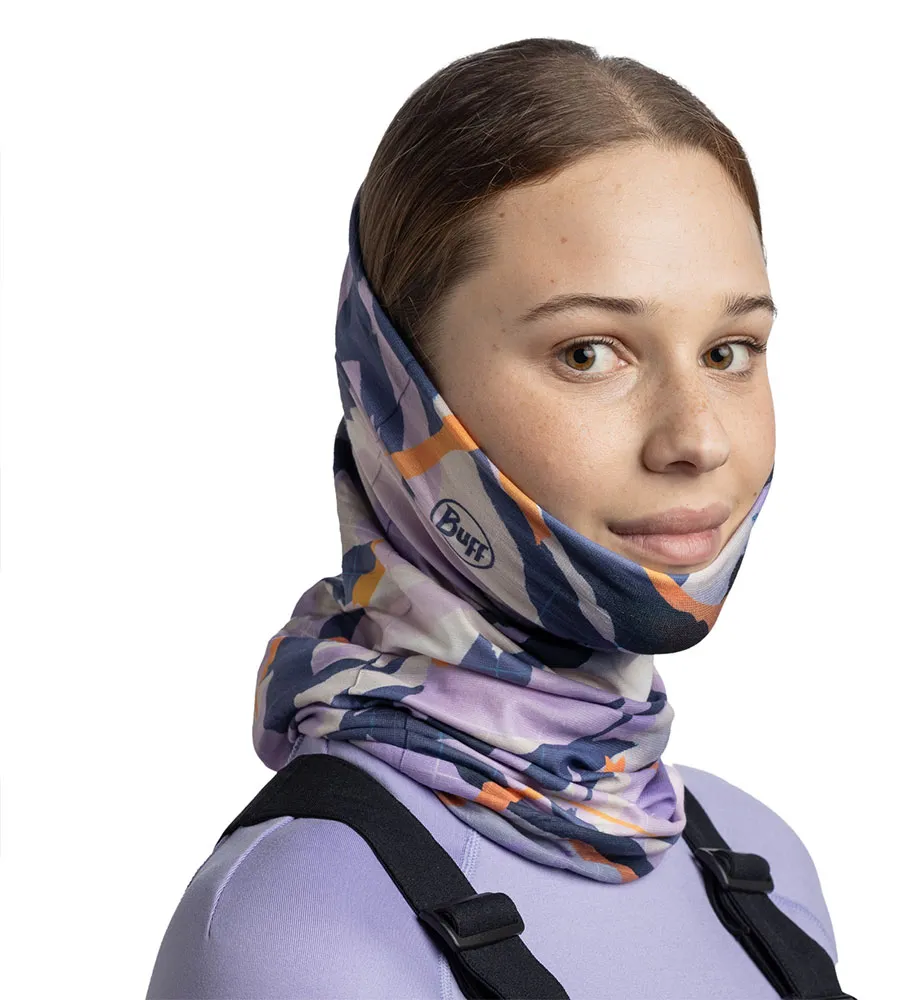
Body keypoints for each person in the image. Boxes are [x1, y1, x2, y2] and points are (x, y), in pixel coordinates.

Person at [145, 36, 844, 999]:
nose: (698, 439)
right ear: (396, 390)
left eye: (729, 351)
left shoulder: (766, 868)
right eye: (588, 353)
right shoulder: (301, 930)